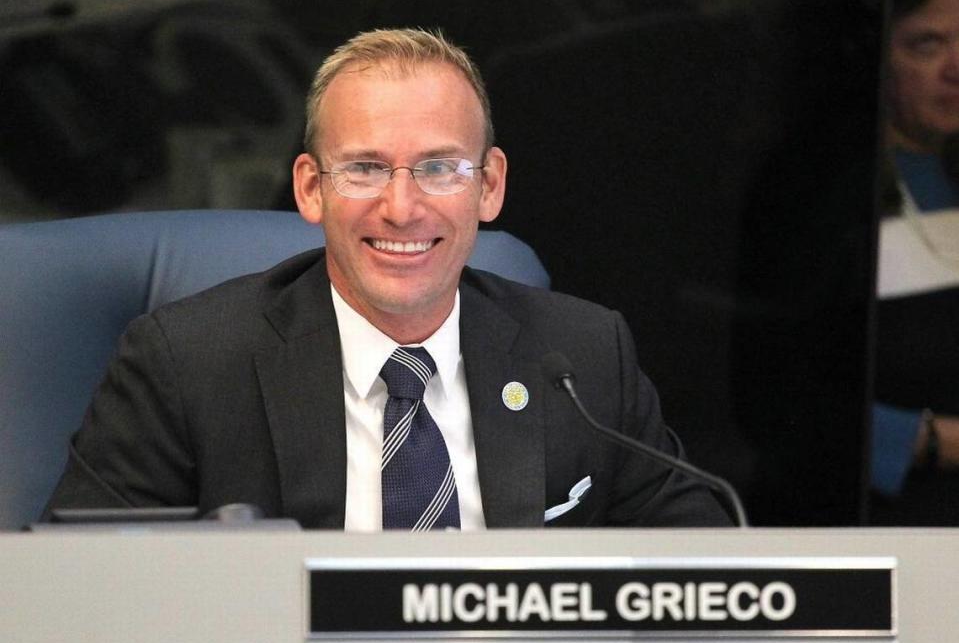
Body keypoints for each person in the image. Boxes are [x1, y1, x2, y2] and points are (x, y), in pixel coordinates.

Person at [43, 28, 731, 529]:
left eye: (438, 168)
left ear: (488, 187)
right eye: (365, 168)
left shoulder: (582, 357)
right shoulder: (184, 365)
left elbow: (699, 571)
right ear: (311, 189)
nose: (401, 209)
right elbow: (86, 596)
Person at [872, 0, 959, 521]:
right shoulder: (820, 194)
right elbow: (789, 400)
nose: (956, 68)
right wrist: (935, 441)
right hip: (900, 520)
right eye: (928, 44)